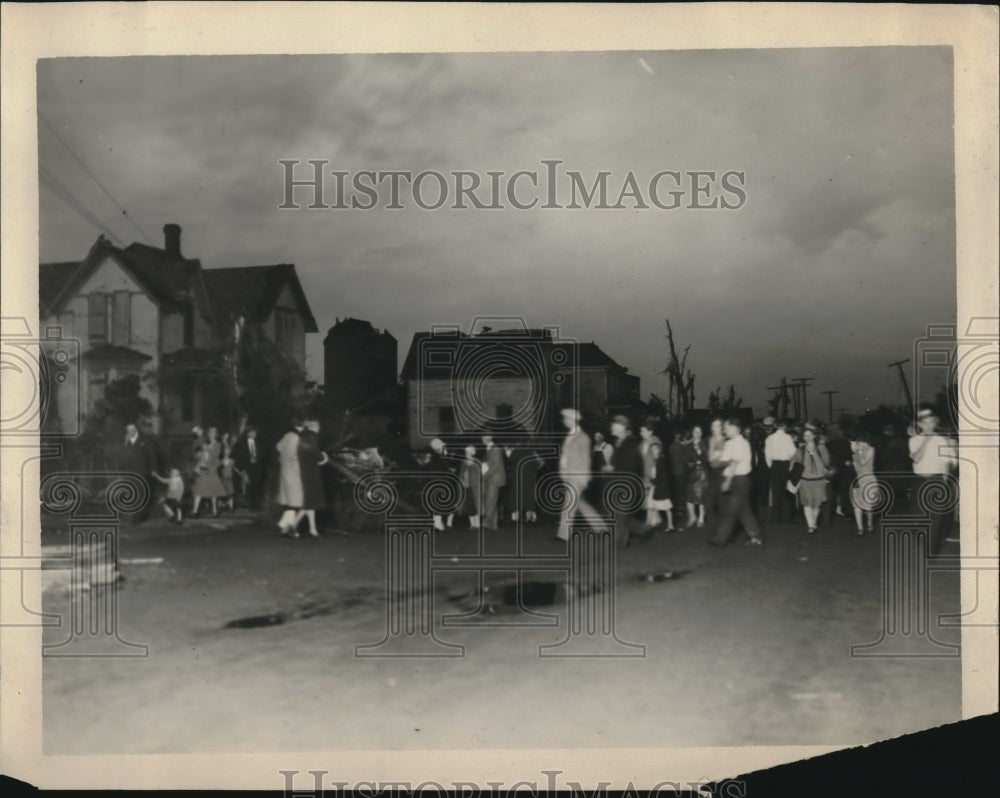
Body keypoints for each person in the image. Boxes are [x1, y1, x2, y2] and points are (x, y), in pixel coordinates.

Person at [908, 405, 958, 555]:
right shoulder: (914, 440)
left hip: (936, 481)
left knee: (935, 519)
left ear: (935, 423)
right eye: (925, 423)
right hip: (919, 481)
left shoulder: (941, 440)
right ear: (920, 425)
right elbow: (916, 458)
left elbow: (948, 462)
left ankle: (929, 552)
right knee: (915, 518)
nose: (928, 425)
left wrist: (945, 479)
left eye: (931, 422)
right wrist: (926, 441)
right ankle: (923, 538)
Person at [708, 417, 764, 547]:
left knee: (730, 510)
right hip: (734, 479)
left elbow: (734, 463)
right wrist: (715, 459)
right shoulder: (729, 443)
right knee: (744, 512)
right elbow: (724, 461)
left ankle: (721, 538)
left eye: (726, 427)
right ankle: (757, 537)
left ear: (735, 428)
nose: (724, 430)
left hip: (740, 480)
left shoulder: (741, 443)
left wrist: (727, 481)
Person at [556, 408, 604, 541]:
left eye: (565, 418)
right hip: (569, 475)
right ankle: (601, 528)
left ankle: (563, 535)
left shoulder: (583, 437)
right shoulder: (570, 436)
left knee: (568, 505)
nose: (564, 421)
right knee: (580, 504)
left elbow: (586, 459)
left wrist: (583, 478)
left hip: (577, 476)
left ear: (572, 420)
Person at [602, 415, 647, 548]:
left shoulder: (630, 445)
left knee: (619, 514)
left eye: (613, 425)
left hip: (625, 484)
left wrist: (612, 469)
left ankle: (618, 541)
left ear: (621, 428)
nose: (611, 428)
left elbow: (632, 467)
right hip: (619, 483)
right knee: (620, 514)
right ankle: (625, 538)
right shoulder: (619, 443)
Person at [792, 424, 832, 535]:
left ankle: (813, 521)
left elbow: (826, 465)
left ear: (814, 436)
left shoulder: (821, 448)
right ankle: (811, 525)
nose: (807, 437)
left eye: (810, 435)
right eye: (805, 436)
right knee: (807, 504)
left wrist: (814, 454)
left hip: (819, 480)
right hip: (805, 481)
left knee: (817, 504)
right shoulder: (800, 450)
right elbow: (795, 463)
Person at [292, 418, 328, 538]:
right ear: (313, 427)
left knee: (309, 502)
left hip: (303, 472)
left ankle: (312, 529)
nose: (319, 429)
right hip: (311, 474)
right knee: (309, 502)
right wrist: (324, 458)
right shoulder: (312, 438)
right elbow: (318, 456)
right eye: (317, 426)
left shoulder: (301, 437)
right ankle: (292, 525)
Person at [119, 422, 155, 523]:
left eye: (130, 431)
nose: (128, 432)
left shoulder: (144, 441)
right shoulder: (127, 441)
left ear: (135, 430)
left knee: (140, 494)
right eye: (127, 431)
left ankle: (136, 518)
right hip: (130, 472)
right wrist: (125, 443)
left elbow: (151, 455)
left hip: (142, 471)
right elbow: (123, 457)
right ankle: (130, 518)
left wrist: (153, 469)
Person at [764, 418, 797, 523]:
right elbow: (793, 452)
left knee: (776, 491)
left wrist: (770, 465)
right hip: (786, 465)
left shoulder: (769, 438)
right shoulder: (788, 438)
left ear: (775, 426)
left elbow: (767, 454)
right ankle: (787, 517)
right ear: (784, 427)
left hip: (775, 465)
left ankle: (776, 517)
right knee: (787, 490)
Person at [275, 419, 304, 536]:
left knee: (289, 502)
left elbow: (278, 447)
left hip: (285, 472)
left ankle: (284, 526)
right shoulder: (296, 438)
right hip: (294, 473)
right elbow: (294, 456)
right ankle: (290, 527)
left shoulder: (286, 437)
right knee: (295, 502)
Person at [191, 426, 227, 518]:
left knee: (213, 491)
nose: (211, 435)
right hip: (202, 469)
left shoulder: (218, 445)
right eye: (210, 433)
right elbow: (199, 455)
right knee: (198, 490)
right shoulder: (204, 443)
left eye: (213, 433)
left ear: (216, 435)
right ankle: (195, 511)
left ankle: (214, 510)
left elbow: (219, 459)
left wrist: (213, 468)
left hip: (211, 469)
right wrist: (198, 464)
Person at [850, 430, 877, 535]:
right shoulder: (855, 451)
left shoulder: (871, 450)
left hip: (869, 480)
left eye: (860, 442)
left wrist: (859, 452)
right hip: (857, 479)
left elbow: (863, 462)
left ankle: (870, 522)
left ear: (866, 442)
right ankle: (860, 528)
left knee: (868, 505)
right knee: (857, 504)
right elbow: (854, 465)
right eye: (857, 442)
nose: (858, 444)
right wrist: (855, 453)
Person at [704, 418, 727, 532]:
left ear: (722, 428)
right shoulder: (712, 440)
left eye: (717, 426)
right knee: (708, 504)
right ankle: (715, 529)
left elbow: (725, 459)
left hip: (723, 472)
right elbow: (710, 459)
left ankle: (724, 531)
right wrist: (717, 455)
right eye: (713, 426)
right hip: (713, 473)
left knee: (723, 504)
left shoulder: (726, 440)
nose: (715, 428)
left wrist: (716, 455)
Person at [638, 422, 663, 528]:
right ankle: (656, 519)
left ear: (650, 432)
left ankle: (651, 520)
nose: (641, 433)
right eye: (641, 431)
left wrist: (655, 471)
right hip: (644, 473)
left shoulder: (655, 442)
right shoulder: (642, 444)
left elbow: (658, 458)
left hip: (653, 473)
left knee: (651, 497)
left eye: (643, 431)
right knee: (648, 496)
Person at [232, 426, 263, 511]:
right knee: (246, 485)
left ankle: (254, 504)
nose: (253, 434)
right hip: (246, 468)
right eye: (251, 433)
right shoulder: (242, 444)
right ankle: (246, 503)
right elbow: (239, 457)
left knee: (255, 485)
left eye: (254, 433)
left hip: (256, 468)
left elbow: (260, 456)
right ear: (247, 434)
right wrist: (242, 469)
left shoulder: (258, 443)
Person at [480, 433, 507, 531]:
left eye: (484, 437)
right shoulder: (488, 449)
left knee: (490, 501)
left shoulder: (495, 449)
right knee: (492, 501)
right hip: (490, 478)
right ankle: (494, 525)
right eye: (482, 437)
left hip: (494, 479)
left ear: (490, 438)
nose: (482, 439)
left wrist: (485, 475)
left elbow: (496, 465)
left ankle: (486, 524)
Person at [684, 423, 709, 528]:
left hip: (703, 473)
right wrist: (691, 464)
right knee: (689, 497)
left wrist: (701, 453)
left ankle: (701, 519)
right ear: (692, 433)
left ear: (702, 433)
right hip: (692, 473)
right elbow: (684, 459)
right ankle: (692, 517)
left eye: (699, 432)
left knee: (701, 497)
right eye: (695, 432)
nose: (697, 434)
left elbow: (708, 459)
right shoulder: (688, 445)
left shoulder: (705, 444)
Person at [647, 441, 675, 531]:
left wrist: (652, 481)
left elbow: (662, 476)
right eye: (652, 449)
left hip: (661, 487)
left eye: (655, 449)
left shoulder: (661, 460)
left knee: (666, 507)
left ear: (659, 450)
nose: (654, 451)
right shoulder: (656, 460)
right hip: (656, 486)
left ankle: (671, 526)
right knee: (652, 505)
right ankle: (653, 523)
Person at [458, 444, 483, 529]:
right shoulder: (463, 462)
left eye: (468, 452)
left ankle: (477, 523)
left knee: (477, 506)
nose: (467, 453)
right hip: (466, 487)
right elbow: (461, 474)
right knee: (469, 506)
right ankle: (472, 524)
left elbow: (483, 474)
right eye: (466, 452)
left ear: (473, 452)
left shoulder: (477, 462)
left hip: (476, 487)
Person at [668, 429, 688, 526]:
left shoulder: (671, 446)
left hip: (674, 471)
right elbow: (685, 459)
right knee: (682, 489)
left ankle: (677, 507)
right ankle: (682, 507)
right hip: (681, 471)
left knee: (676, 490)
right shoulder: (681, 446)